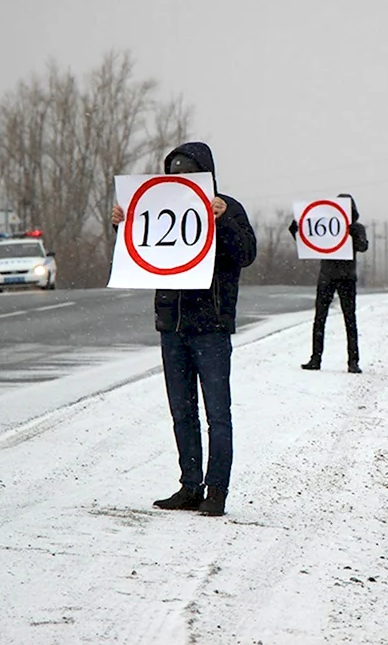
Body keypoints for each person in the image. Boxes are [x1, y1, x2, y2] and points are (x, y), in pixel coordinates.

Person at [111, 142, 256, 517]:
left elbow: (246, 255)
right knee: (182, 411)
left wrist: (222, 221)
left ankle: (216, 490)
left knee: (217, 414)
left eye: (189, 173)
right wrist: (123, 225)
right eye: (174, 174)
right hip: (171, 325)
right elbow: (143, 254)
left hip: (211, 325)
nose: (181, 180)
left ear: (205, 174)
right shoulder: (159, 206)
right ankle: (189, 486)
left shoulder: (227, 206)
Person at [289, 193, 369, 373]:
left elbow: (363, 246)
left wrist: (353, 234)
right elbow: (310, 242)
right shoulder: (326, 226)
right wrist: (296, 230)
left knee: (349, 319)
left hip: (347, 277)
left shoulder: (357, 227)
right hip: (327, 276)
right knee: (320, 318)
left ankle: (353, 361)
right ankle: (315, 359)